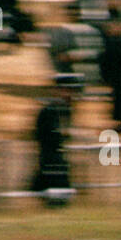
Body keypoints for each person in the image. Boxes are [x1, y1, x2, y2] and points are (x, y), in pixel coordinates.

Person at [29, 74, 80, 205]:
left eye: (72, 91)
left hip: (58, 163)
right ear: (57, 90)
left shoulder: (65, 110)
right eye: (67, 90)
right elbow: (46, 137)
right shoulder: (48, 111)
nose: (70, 95)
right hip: (50, 163)